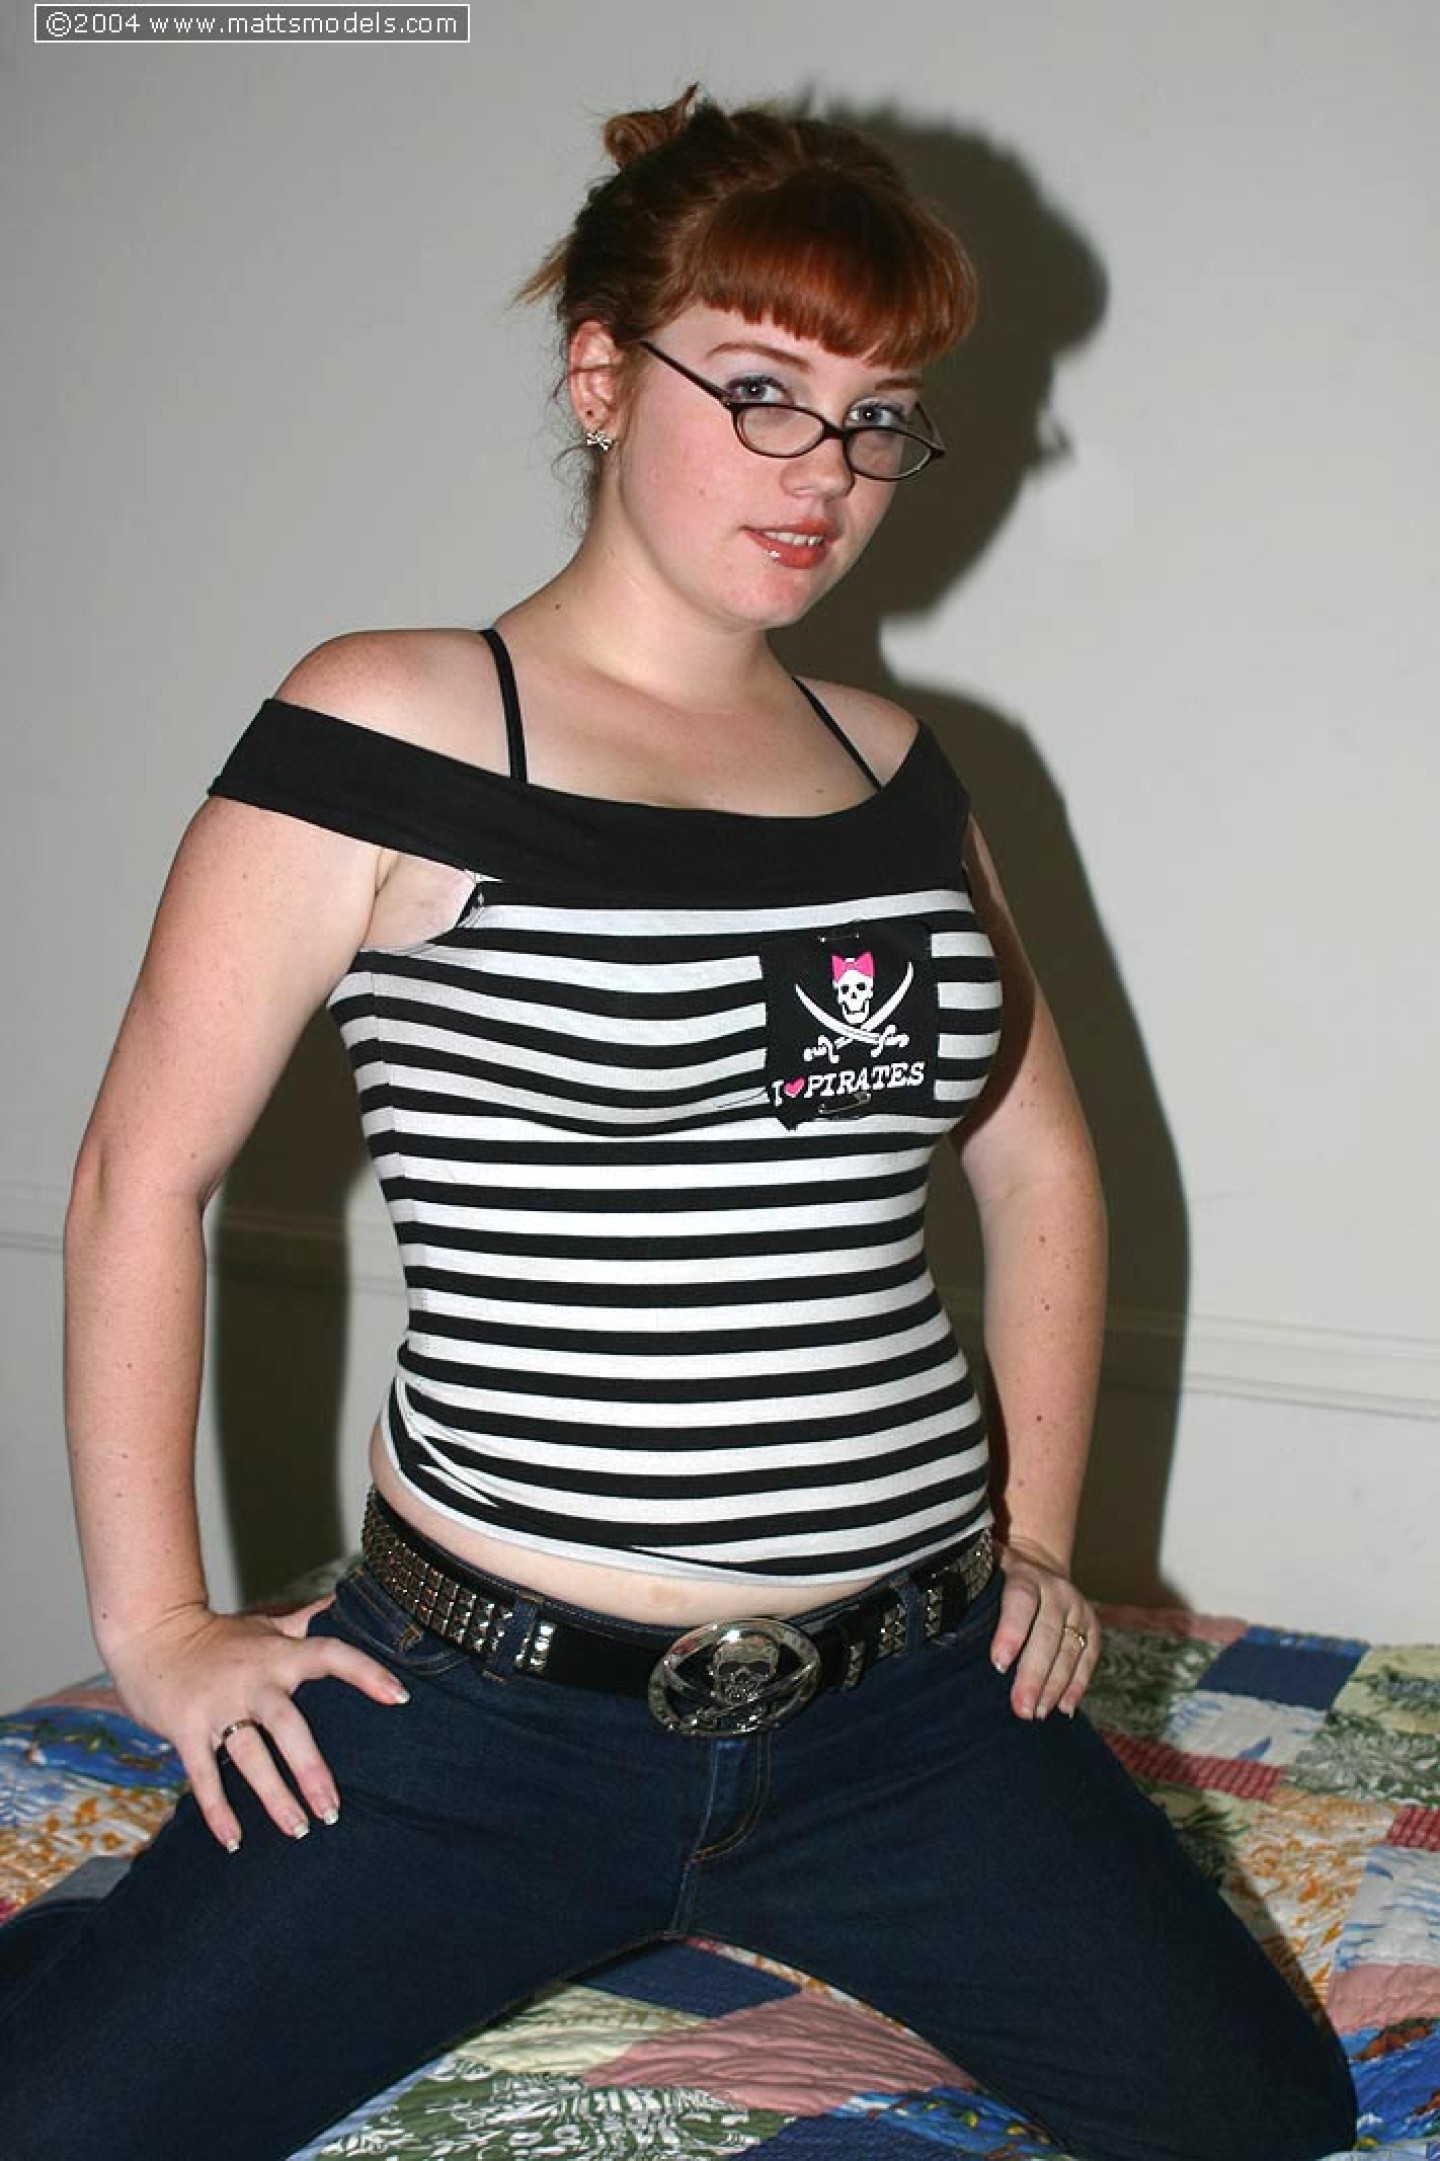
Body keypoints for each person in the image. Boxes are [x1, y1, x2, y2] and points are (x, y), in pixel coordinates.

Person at [0, 88, 1355, 2161]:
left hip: (907, 1716)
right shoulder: (396, 722)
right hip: (485, 1723)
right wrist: (160, 1628)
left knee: (1255, 2115)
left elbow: (1039, 1163)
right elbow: (137, 1178)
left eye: (878, 418)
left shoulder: (896, 765)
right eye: (762, 390)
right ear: (602, 376)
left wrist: (1044, 1540)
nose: (827, 473)